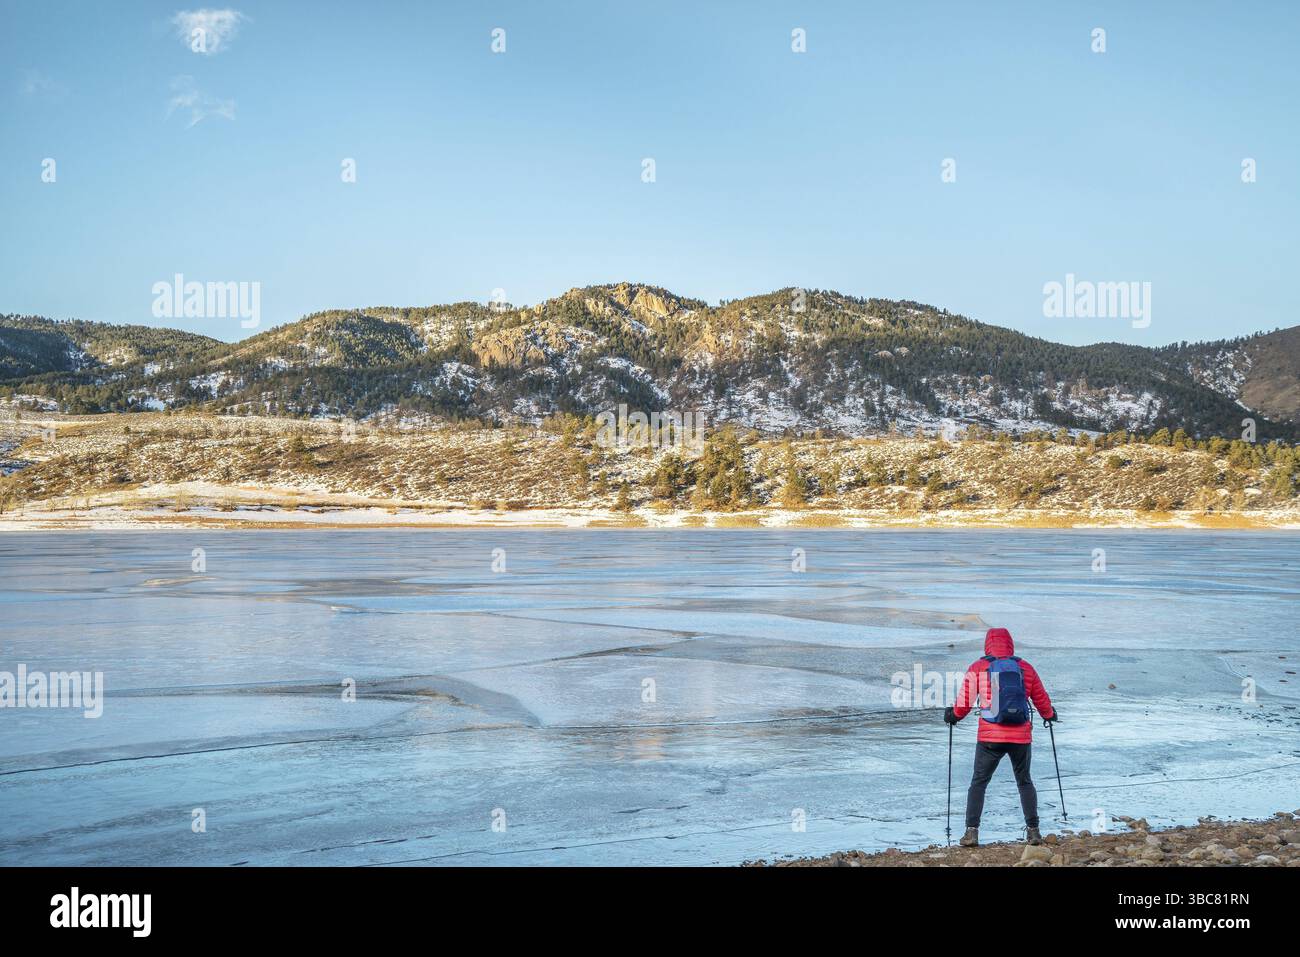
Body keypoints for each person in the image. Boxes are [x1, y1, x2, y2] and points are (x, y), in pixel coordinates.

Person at [944, 627, 1057, 846]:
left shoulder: (979, 667)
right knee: (1024, 782)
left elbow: (965, 702)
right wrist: (1050, 715)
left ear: (987, 644)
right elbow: (1040, 698)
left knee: (978, 783)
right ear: (1010, 644)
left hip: (989, 737)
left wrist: (953, 716)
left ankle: (971, 833)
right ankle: (1033, 832)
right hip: (1020, 737)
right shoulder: (1025, 667)